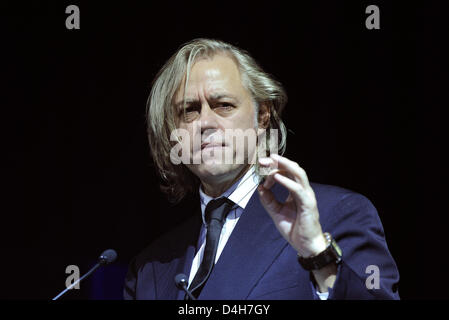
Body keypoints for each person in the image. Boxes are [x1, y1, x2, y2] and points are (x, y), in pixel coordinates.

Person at [123, 38, 400, 300]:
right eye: (189, 110)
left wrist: (318, 254)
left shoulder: (335, 215)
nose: (205, 122)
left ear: (263, 115)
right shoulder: (150, 268)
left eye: (223, 105)